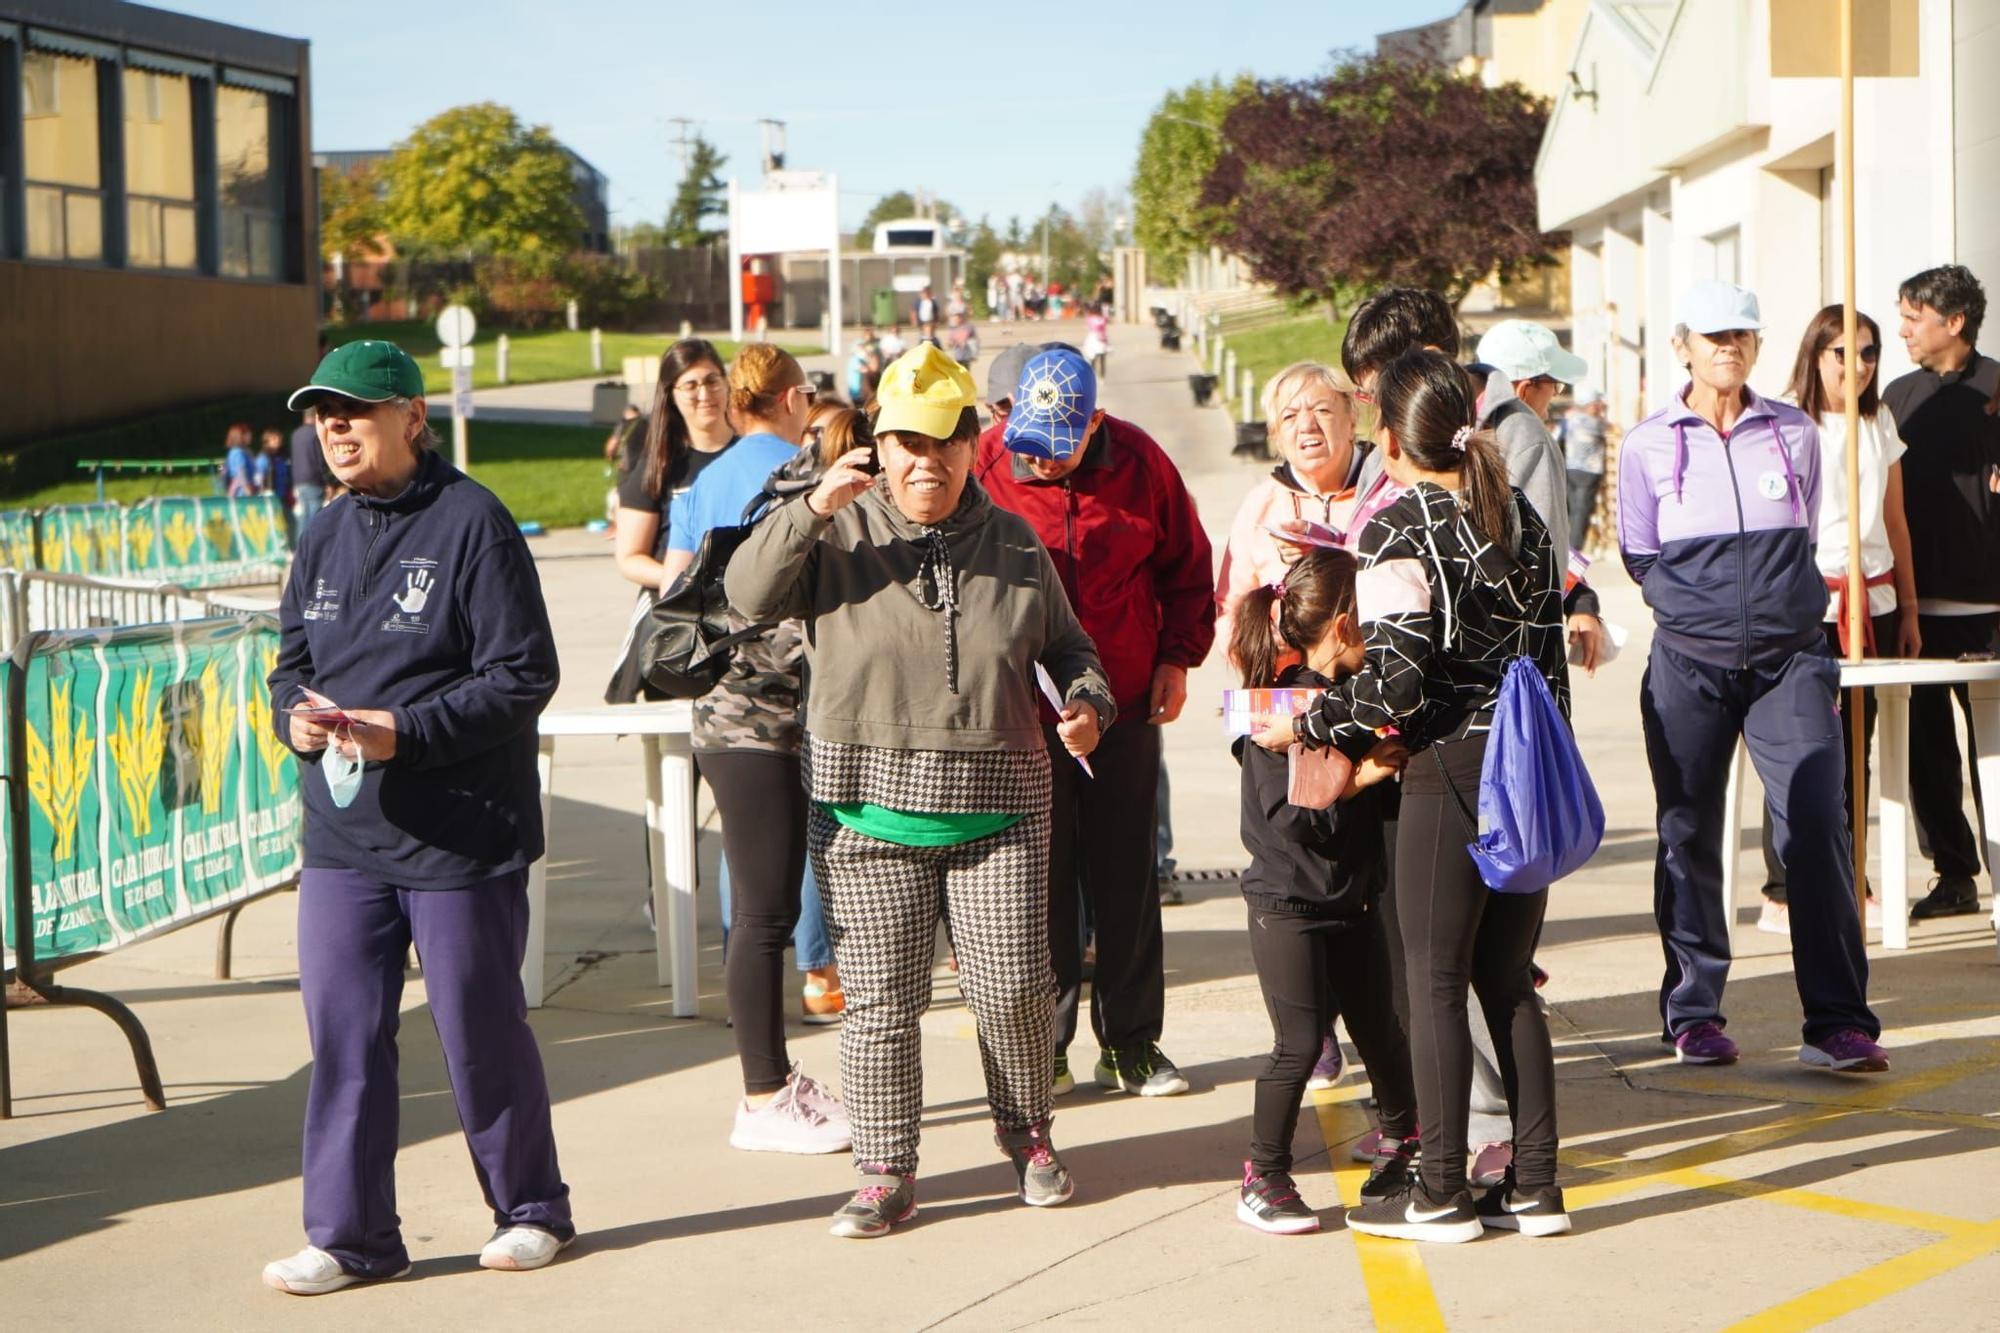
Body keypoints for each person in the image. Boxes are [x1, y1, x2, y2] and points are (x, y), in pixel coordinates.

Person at [727, 344, 1113, 1237]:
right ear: (876, 445)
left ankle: (1029, 1136)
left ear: (974, 445)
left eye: (943, 440)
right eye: (904, 441)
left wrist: (1089, 705)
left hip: (1001, 810)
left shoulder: (1015, 542)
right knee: (881, 1006)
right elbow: (746, 593)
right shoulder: (834, 532)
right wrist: (817, 503)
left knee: (1015, 987)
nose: (922, 461)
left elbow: (1073, 652)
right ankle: (885, 1170)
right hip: (865, 806)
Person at [263, 339, 574, 1293]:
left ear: (411, 417)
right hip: (344, 835)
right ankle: (352, 1237)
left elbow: (524, 674)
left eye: (353, 411)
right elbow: (288, 662)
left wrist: (411, 732)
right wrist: (297, 721)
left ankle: (530, 1208)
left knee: (479, 1029)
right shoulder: (320, 531)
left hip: (461, 832)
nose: (335, 429)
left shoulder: (474, 521)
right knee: (345, 1035)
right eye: (323, 415)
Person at [1254, 347, 1571, 1242]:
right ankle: (1537, 1183)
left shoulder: (1403, 526)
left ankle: (1439, 1188)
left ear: (1387, 437)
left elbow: (1393, 679)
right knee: (1507, 981)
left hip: (1453, 765)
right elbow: (1547, 666)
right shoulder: (1519, 522)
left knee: (1432, 979)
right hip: (1530, 765)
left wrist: (1309, 727)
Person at [1619, 280, 1885, 1075]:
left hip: (1789, 660)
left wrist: (1778, 614)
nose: (1728, 347)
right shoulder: (1645, 445)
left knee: (1816, 822)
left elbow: (1801, 534)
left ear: (1759, 347)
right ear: (1684, 347)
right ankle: (1694, 1011)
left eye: (1741, 335)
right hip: (1688, 666)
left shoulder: (1796, 433)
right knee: (1688, 834)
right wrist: (1689, 607)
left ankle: (1837, 1021)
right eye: (1713, 335)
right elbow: (1639, 553)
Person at [977, 344, 1216, 1099]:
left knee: (1126, 877)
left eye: (1062, 451)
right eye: (1031, 452)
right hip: (1021, 712)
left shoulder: (1143, 463)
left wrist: (1177, 657)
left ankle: (1134, 1043)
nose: (1043, 467)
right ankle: (1042, 1047)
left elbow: (1187, 568)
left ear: (1096, 423)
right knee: (1035, 882)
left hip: (1126, 706)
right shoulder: (981, 467)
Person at [661, 344, 848, 1154]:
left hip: (725, 710)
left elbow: (675, 579)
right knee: (768, 907)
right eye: (806, 393)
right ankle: (764, 1091)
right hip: (766, 713)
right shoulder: (802, 473)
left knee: (758, 901)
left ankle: (771, 1081)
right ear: (789, 397)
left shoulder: (710, 477)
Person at [1229, 547, 1420, 1235]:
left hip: (1353, 899)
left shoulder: (1360, 697)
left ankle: (1405, 1141)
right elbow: (1291, 819)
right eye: (1373, 619)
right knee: (1300, 1042)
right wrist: (1363, 777)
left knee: (1381, 1031)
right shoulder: (1280, 709)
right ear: (1344, 623)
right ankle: (1265, 1174)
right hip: (1289, 905)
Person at [1756, 306, 1917, 935]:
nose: (1857, 365)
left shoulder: (1880, 423)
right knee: (1796, 746)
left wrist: (1908, 605)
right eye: (1843, 353)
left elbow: (1897, 523)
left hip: (1869, 604)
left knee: (1857, 746)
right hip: (1805, 605)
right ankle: (1784, 884)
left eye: (1870, 352)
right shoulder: (1785, 423)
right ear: (1816, 355)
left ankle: (1853, 874)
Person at [1885, 264, 2000, 921]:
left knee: (1997, 754)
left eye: (1913, 317)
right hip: (1917, 610)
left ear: (1953, 322)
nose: (1903, 329)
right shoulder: (1898, 397)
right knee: (1929, 753)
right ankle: (1953, 873)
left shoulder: (1997, 386)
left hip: (1990, 608)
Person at [614, 340, 735, 598]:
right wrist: (688, 581)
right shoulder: (659, 464)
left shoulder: (751, 452)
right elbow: (630, 557)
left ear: (726, 383)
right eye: (690, 386)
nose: (705, 395)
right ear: (671, 395)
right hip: (676, 612)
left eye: (712, 381)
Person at [1559, 388, 1608, 550]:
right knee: (1583, 509)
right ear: (1592, 406)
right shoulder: (1595, 424)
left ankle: (1568, 545)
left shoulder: (1571, 420)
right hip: (1589, 470)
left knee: (1573, 508)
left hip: (1571, 467)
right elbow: (1612, 430)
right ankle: (1575, 547)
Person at [290, 407, 332, 532]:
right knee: (314, 517)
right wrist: (328, 481)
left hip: (299, 481)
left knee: (303, 517)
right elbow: (320, 459)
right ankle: (313, 548)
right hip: (314, 480)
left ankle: (300, 547)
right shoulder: (315, 434)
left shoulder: (295, 434)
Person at [222, 422, 256, 497]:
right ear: (240, 436)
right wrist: (247, 489)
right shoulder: (237, 452)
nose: (250, 436)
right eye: (247, 434)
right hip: (241, 491)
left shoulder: (244, 451)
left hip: (246, 488)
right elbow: (240, 472)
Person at [1083, 304, 1110, 379]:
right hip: (1101, 338)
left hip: (1093, 339)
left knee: (1093, 359)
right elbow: (1106, 321)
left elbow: (1087, 314)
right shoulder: (1102, 319)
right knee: (1102, 359)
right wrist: (1106, 310)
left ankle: (1093, 376)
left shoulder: (1090, 318)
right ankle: (1102, 376)